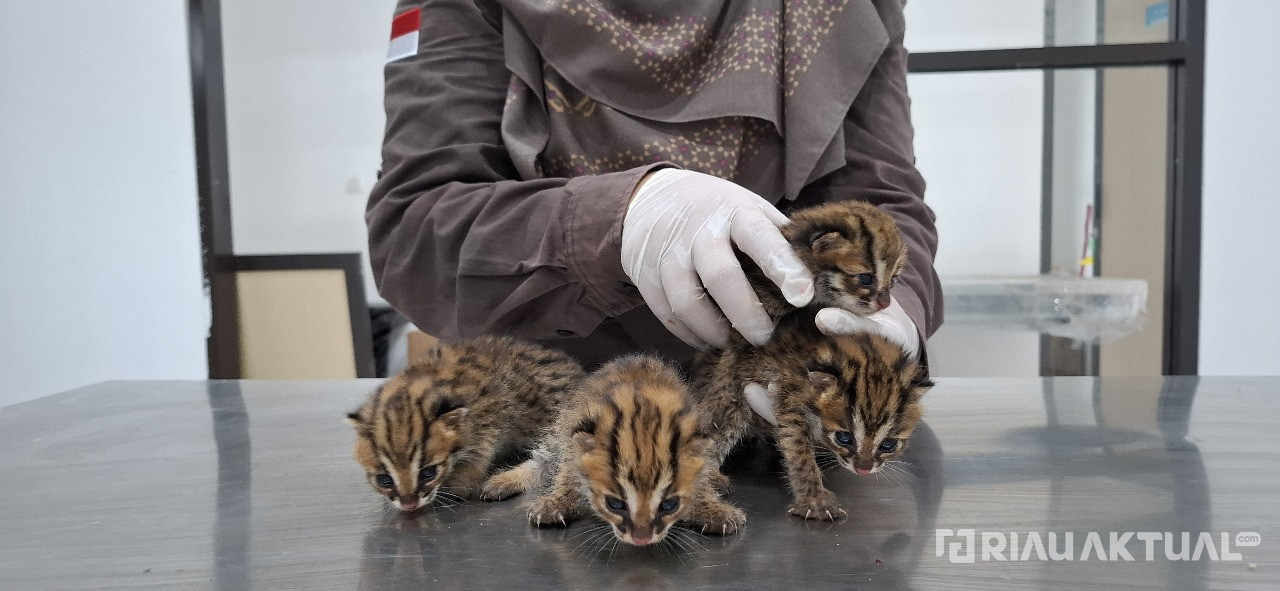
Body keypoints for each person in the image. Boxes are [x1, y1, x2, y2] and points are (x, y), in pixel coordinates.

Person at [366, 0, 942, 370]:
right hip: (548, 425)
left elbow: (881, 205)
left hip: (779, 408)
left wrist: (892, 320)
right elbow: (414, 235)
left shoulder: (837, 11)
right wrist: (617, 220)